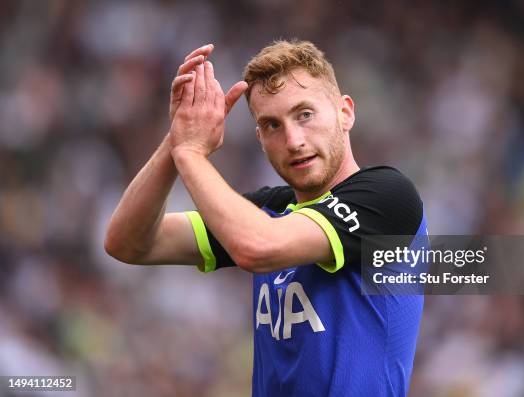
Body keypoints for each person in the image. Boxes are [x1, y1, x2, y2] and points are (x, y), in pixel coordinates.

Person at [105, 39, 428, 396]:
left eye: (304, 114)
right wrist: (177, 140)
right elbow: (127, 243)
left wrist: (192, 153)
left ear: (345, 112)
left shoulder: (387, 195)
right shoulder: (269, 210)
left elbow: (255, 246)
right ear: (260, 138)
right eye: (272, 125)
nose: (293, 139)